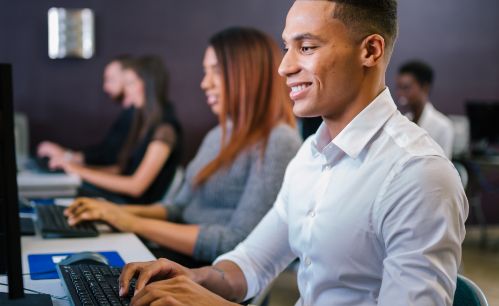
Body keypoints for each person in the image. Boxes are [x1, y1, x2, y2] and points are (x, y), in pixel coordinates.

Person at [116, 1, 469, 306]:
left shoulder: (419, 176)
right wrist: (192, 279)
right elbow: (251, 262)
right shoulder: (309, 157)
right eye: (287, 47)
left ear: (370, 51)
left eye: (307, 47)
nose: (284, 66)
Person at [64, 27, 302, 266]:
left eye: (216, 71)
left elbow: (236, 242)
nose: (204, 83)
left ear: (251, 74)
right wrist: (112, 212)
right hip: (175, 252)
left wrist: (131, 222)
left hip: (206, 272)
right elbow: (177, 208)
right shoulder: (217, 135)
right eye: (205, 72)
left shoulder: (278, 142)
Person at [53, 56, 183, 204]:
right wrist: (76, 168)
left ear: (148, 84)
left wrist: (79, 171)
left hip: (134, 208)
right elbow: (119, 169)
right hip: (122, 199)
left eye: (130, 83)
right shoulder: (141, 121)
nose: (125, 90)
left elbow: (136, 187)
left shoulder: (165, 129)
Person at [38, 55, 136, 168]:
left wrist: (67, 157)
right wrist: (67, 155)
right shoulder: (128, 114)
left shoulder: (135, 116)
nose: (105, 87)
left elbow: (110, 157)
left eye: (111, 79)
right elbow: (106, 149)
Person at [397, 60, 454, 158]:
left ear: (425, 88)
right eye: (399, 87)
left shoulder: (443, 126)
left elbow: (443, 167)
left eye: (406, 88)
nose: (400, 93)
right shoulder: (403, 121)